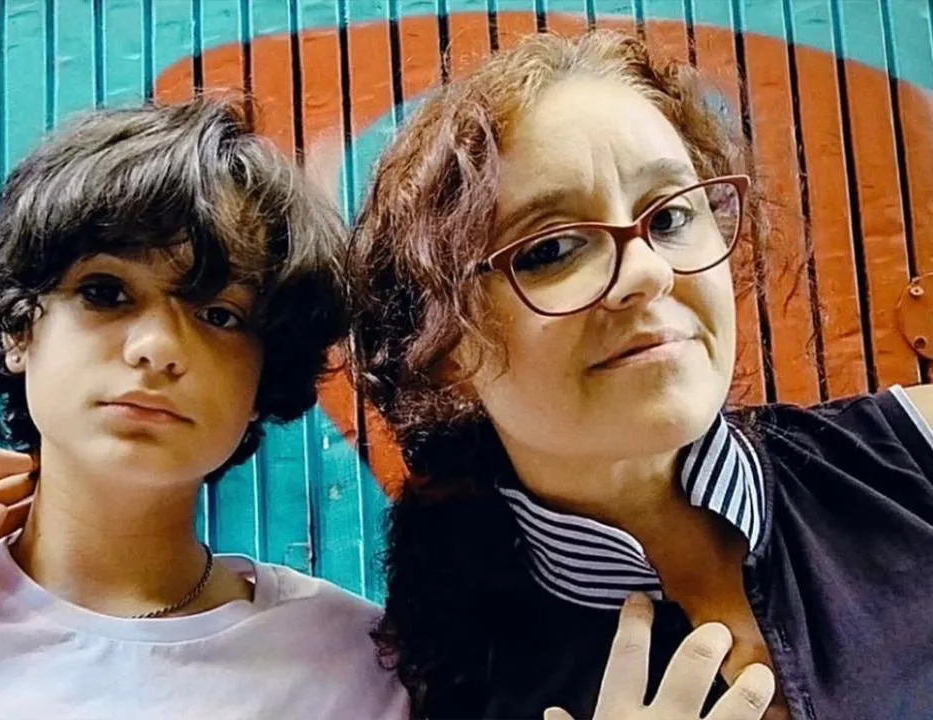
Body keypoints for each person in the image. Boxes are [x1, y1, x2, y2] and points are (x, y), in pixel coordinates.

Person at [0, 96, 409, 719]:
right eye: (105, 293)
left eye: (220, 315)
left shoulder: (351, 666)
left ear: (263, 379)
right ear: (19, 329)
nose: (157, 348)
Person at [348, 29, 933, 720]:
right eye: (552, 249)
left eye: (672, 215)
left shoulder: (912, 454)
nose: (648, 273)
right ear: (445, 352)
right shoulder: (460, 692)